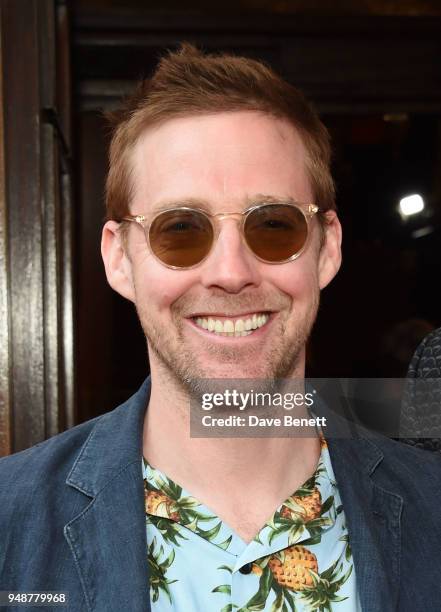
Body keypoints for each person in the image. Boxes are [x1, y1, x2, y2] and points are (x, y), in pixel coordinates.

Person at [1, 43, 440, 612]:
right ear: (119, 258)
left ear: (327, 248)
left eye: (274, 226)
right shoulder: (10, 522)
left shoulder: (431, 505)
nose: (231, 273)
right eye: (179, 229)